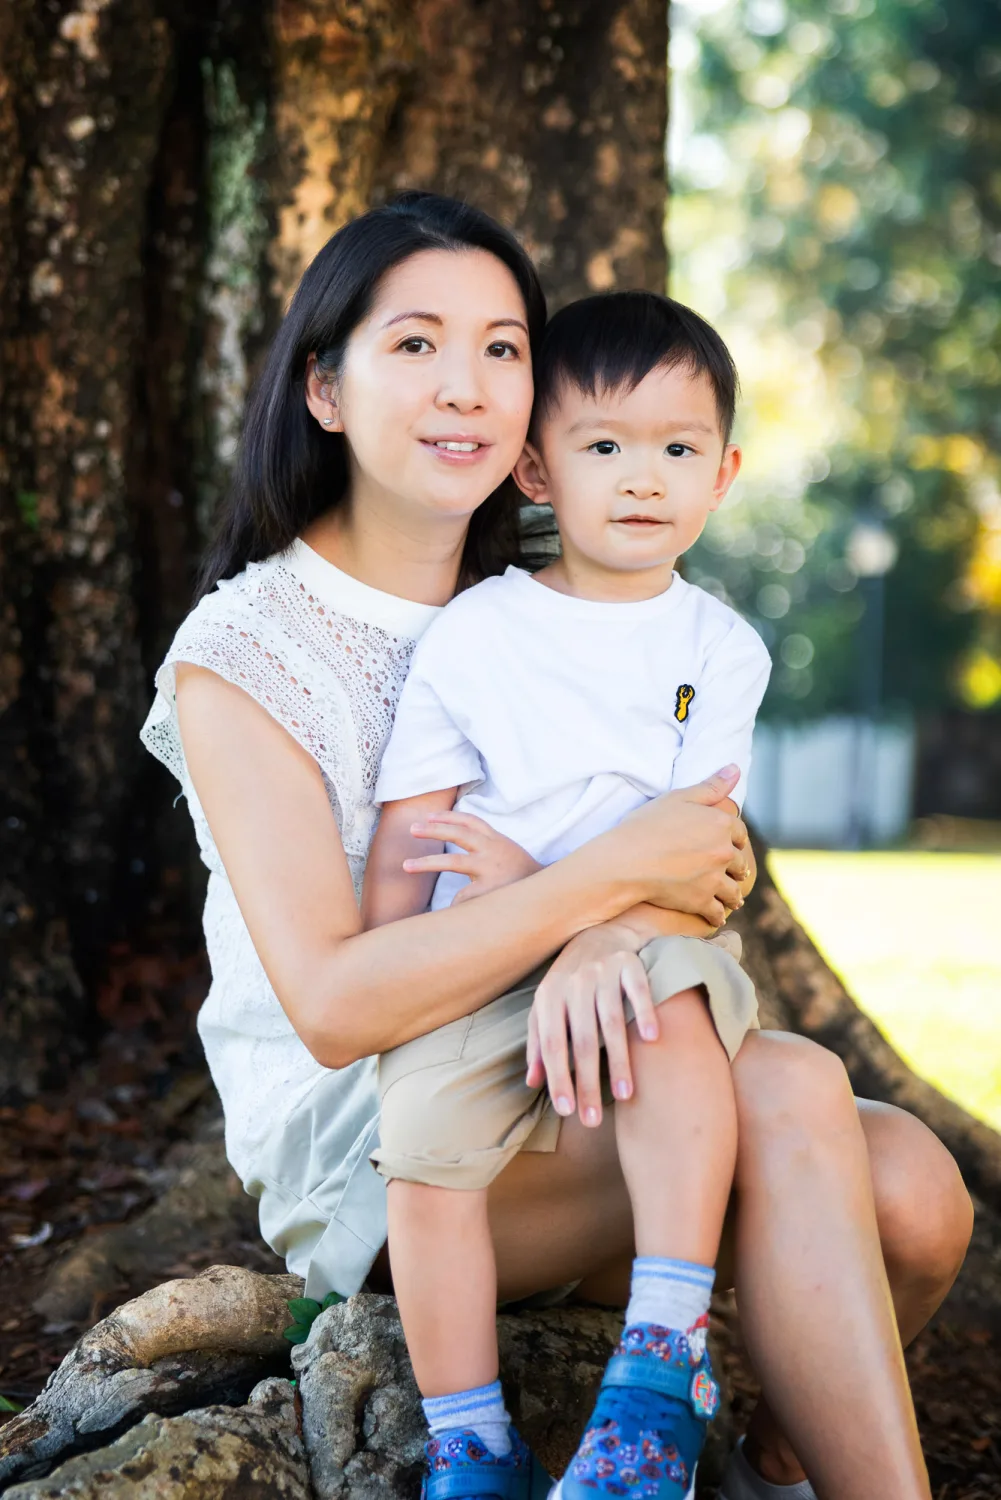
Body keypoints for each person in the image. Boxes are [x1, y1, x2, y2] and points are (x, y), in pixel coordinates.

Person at [140, 192, 971, 1500]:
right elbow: (337, 1006)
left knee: (919, 1192)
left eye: (502, 348)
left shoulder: (565, 594)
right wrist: (592, 888)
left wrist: (610, 930)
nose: (466, 385)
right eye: (414, 345)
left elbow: (702, 857)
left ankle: (768, 1462)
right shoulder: (249, 657)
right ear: (326, 388)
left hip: (595, 1067)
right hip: (387, 1139)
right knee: (795, 1090)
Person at [362, 289, 770, 1500]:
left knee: (680, 1018)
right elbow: (415, 855)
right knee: (426, 1163)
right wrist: (463, 942)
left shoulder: (715, 651)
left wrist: (575, 902)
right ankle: (467, 1438)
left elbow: (694, 853)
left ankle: (660, 1355)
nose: (641, 479)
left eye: (676, 449)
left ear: (723, 472)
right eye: (603, 447)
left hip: (647, 944)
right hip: (479, 967)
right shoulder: (477, 634)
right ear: (536, 471)